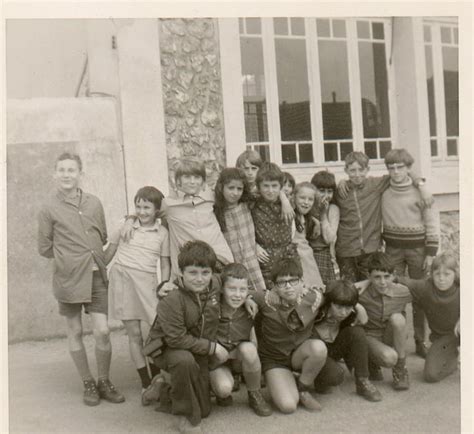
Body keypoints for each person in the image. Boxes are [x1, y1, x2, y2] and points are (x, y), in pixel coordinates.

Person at [37, 152, 125, 406]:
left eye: (71, 170)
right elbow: (44, 247)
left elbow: (102, 235)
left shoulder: (94, 203)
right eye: (62, 170)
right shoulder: (48, 208)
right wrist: (69, 259)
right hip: (68, 279)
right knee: (74, 330)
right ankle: (88, 382)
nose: (66, 175)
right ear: (55, 174)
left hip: (96, 275)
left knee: (103, 331)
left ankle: (104, 381)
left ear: (80, 173)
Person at [146, 241, 225, 434]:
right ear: (180, 272)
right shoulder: (172, 297)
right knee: (183, 360)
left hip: (197, 347)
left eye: (205, 272)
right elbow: (175, 340)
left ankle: (162, 386)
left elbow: (236, 282)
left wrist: (248, 298)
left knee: (205, 410)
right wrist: (213, 348)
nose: (199, 279)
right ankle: (184, 417)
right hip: (167, 348)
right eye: (192, 273)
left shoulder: (215, 283)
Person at [105, 186, 170, 403]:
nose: (142, 212)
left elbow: (164, 261)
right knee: (134, 334)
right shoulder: (125, 226)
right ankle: (145, 383)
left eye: (147, 207)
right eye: (138, 206)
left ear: (157, 209)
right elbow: (109, 252)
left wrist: (164, 284)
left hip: (147, 283)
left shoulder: (162, 233)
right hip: (122, 279)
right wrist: (93, 272)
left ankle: (158, 379)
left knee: (155, 332)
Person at [336, 151, 432, 282]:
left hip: (371, 249)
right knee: (348, 288)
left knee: (371, 288)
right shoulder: (340, 191)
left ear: (368, 169)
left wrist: (422, 186)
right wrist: (341, 182)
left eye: (361, 170)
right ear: (345, 170)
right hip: (346, 250)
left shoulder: (376, 184)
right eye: (352, 170)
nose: (357, 174)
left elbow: (402, 172)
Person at [382, 148, 440, 358]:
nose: (396, 172)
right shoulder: (384, 189)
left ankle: (420, 340)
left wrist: (431, 252)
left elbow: (432, 222)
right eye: (391, 168)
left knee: (420, 296)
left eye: (400, 167)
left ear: (408, 168)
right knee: (394, 294)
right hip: (392, 250)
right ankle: (396, 342)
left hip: (418, 250)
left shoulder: (421, 192)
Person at [250, 258, 327, 413]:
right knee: (288, 406)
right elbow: (240, 293)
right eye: (282, 282)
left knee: (318, 348)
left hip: (298, 354)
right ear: (273, 286)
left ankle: (303, 388)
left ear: (302, 282)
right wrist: (247, 299)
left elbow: (335, 292)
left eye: (293, 281)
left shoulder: (313, 297)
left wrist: (358, 306)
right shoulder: (266, 299)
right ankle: (285, 380)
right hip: (274, 358)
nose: (288, 286)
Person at [208, 263, 272, 416]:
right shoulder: (212, 305)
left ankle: (254, 393)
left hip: (238, 357)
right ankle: (218, 387)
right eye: (232, 289)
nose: (237, 295)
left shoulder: (251, 301)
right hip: (216, 360)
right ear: (222, 289)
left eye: (242, 290)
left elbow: (272, 294)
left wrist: (249, 297)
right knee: (223, 389)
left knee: (249, 349)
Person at [312, 280, 382, 402]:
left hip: (333, 348)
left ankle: (362, 381)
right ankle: (316, 378)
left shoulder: (350, 312)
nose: (343, 313)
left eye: (348, 307)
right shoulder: (316, 311)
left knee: (357, 332)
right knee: (335, 376)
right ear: (329, 302)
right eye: (338, 307)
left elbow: (364, 320)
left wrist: (356, 305)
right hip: (315, 352)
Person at [395, 253, 460, 383]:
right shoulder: (425, 287)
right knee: (431, 375)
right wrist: (368, 281)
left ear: (456, 274)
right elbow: (395, 279)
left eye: (447, 274)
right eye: (437, 274)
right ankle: (453, 359)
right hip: (445, 337)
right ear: (431, 274)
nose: (441, 279)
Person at [358, 253, 412, 391]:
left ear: (393, 275)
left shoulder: (403, 291)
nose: (382, 282)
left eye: (386, 276)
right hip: (370, 337)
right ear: (369, 276)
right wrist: (364, 284)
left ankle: (400, 369)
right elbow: (337, 290)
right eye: (377, 277)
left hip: (390, 334)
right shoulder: (362, 293)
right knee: (389, 358)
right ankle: (371, 360)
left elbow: (427, 288)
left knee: (398, 319)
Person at [213, 168, 266, 292]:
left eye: (239, 189)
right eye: (231, 188)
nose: (235, 193)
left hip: (252, 259)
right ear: (221, 187)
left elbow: (270, 191)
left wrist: (284, 199)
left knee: (259, 293)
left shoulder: (248, 205)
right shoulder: (216, 211)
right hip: (233, 261)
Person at [251, 163, 300, 288]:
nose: (270, 190)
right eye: (266, 186)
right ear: (258, 187)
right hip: (265, 255)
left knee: (291, 288)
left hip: (287, 253)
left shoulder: (290, 201)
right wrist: (255, 245)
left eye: (274, 186)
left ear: (281, 186)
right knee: (270, 292)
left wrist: (284, 199)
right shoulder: (253, 202)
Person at [309, 170, 340, 285]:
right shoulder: (307, 205)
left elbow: (329, 239)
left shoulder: (333, 209)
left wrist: (323, 214)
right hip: (308, 255)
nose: (326, 195)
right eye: (321, 191)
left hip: (324, 255)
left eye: (330, 191)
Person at [292, 182, 324, 289]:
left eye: (310, 199)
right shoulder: (289, 214)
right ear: (294, 197)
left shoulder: (308, 218)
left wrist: (317, 222)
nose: (306, 202)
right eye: (302, 198)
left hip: (307, 259)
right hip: (297, 259)